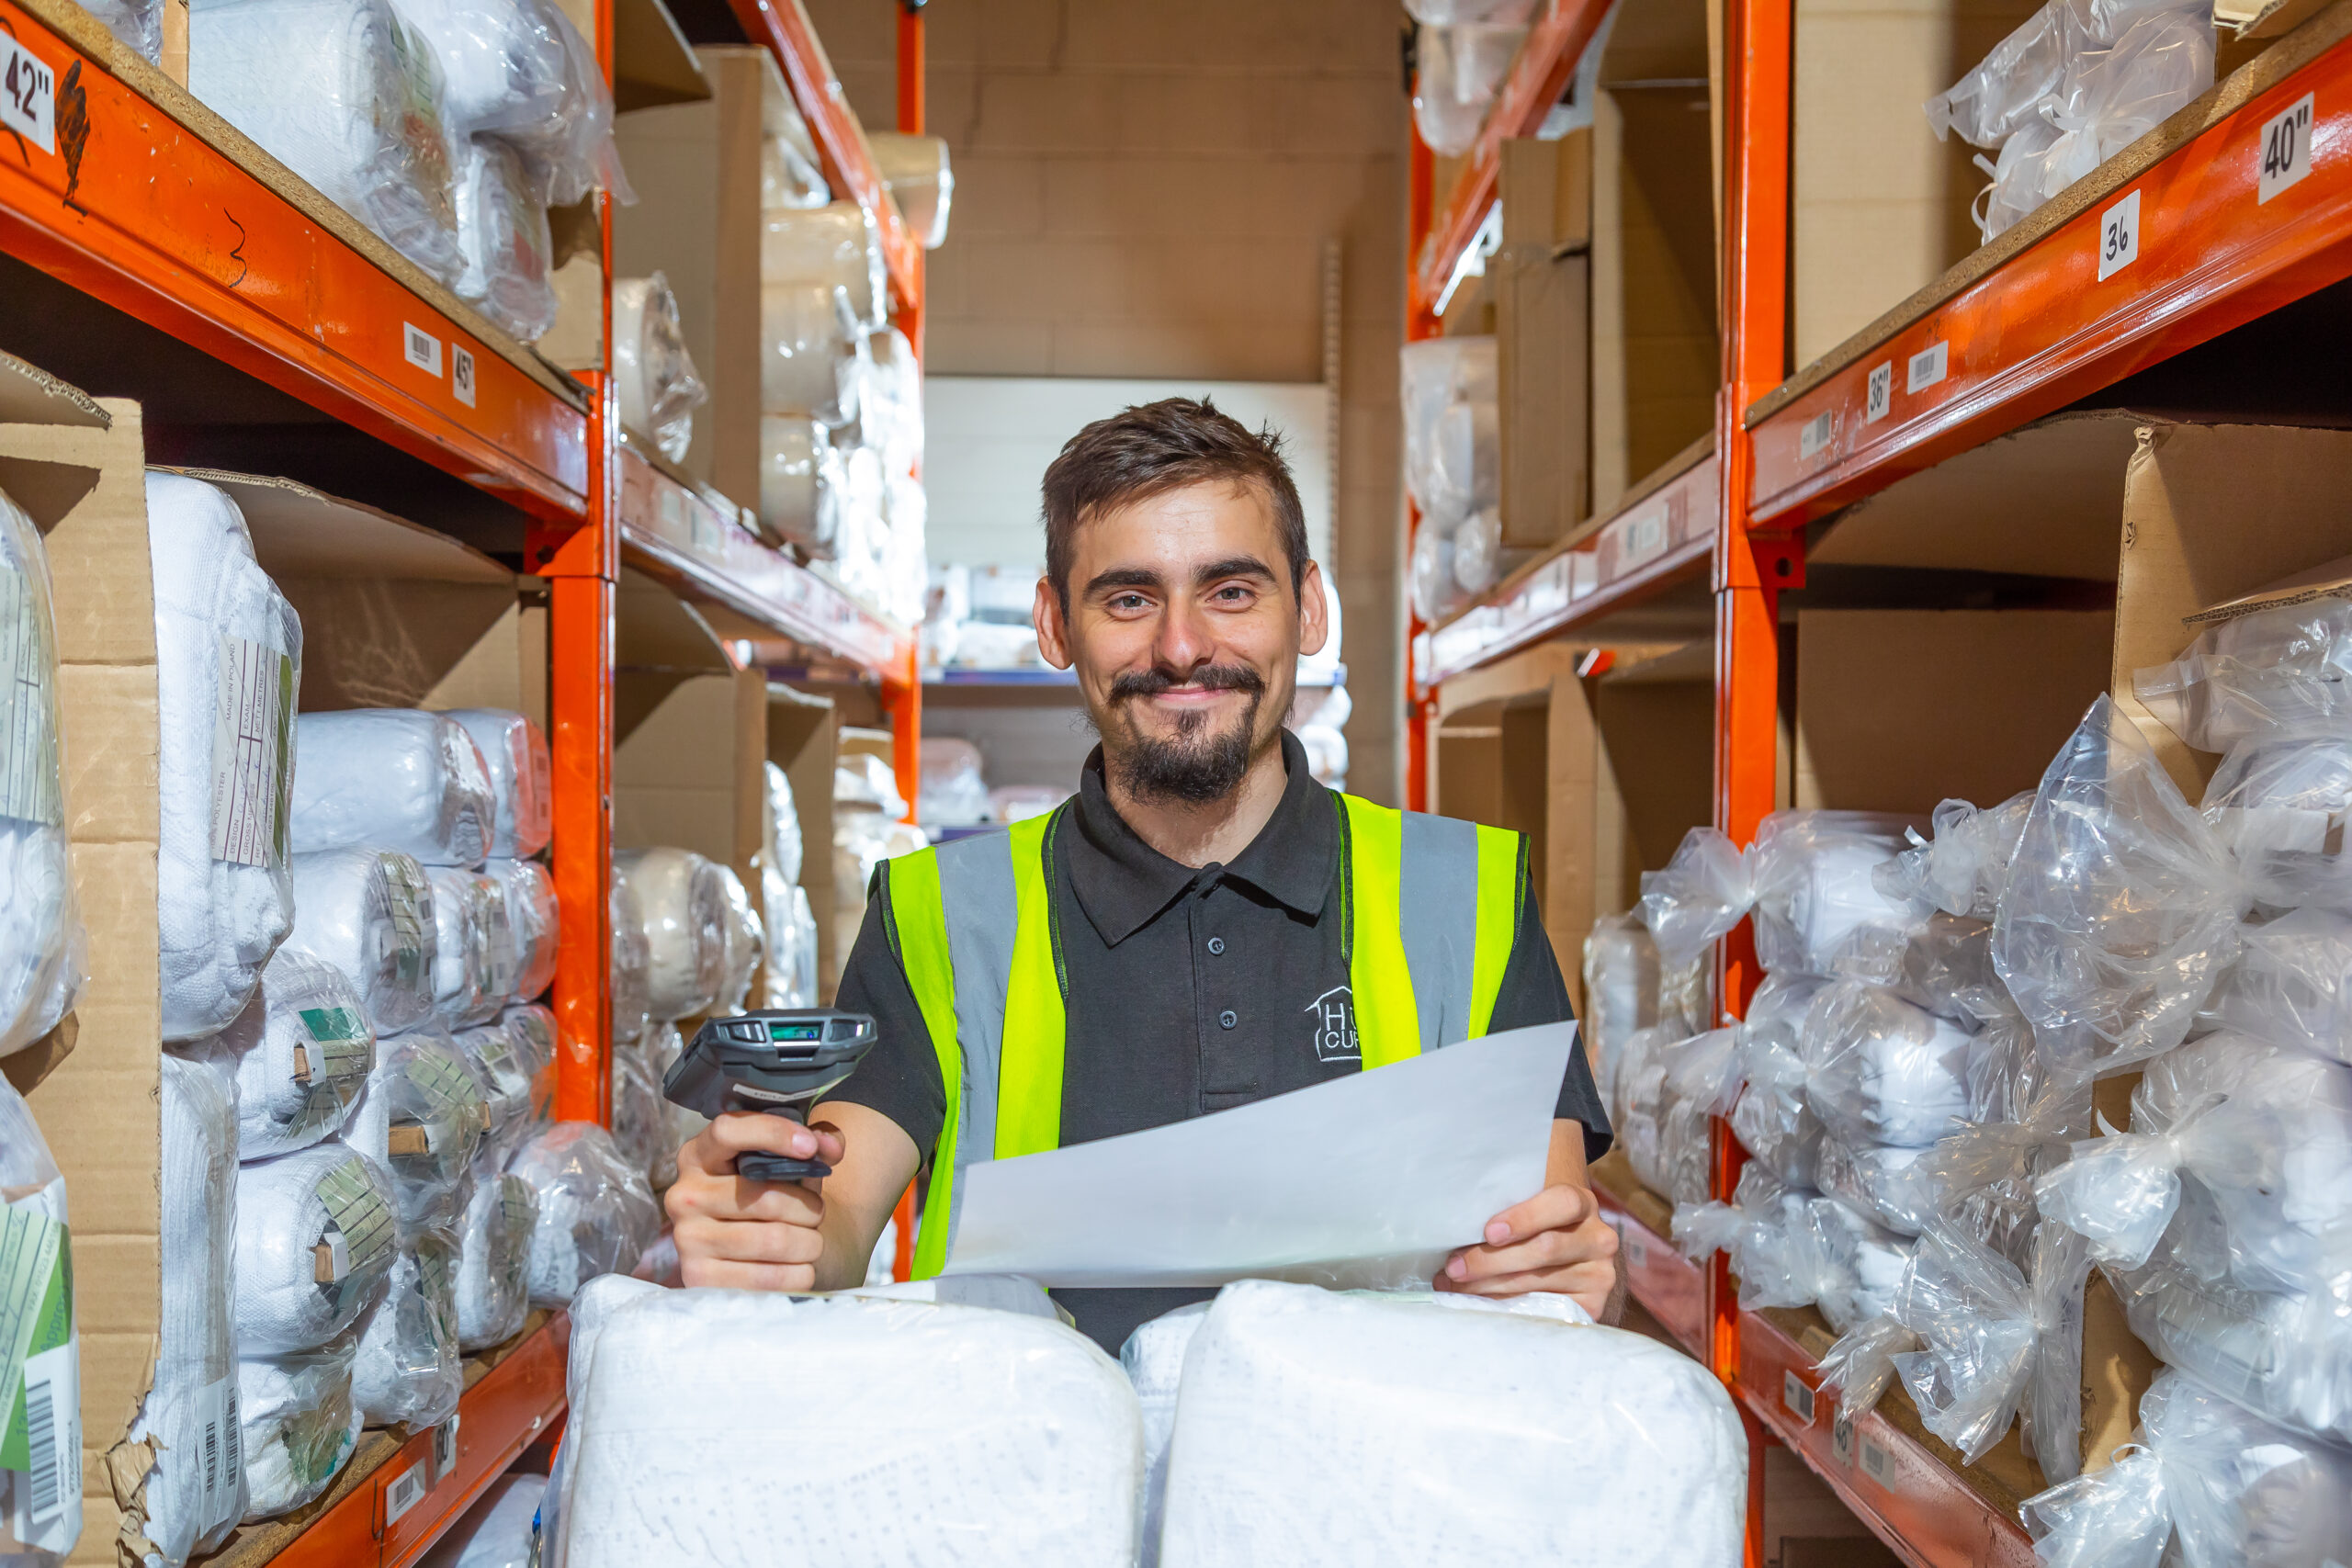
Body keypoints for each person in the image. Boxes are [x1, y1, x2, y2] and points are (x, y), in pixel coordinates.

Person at [668, 396, 1620, 1350]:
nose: (1180, 647)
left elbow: (1543, 1257)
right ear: (1054, 624)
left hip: (1358, 1490)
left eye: (1231, 591)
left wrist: (1568, 1269)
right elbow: (830, 1233)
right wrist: (766, 1238)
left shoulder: (1471, 896)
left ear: (1311, 606)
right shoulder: (938, 915)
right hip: (1043, 1485)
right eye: (1129, 598)